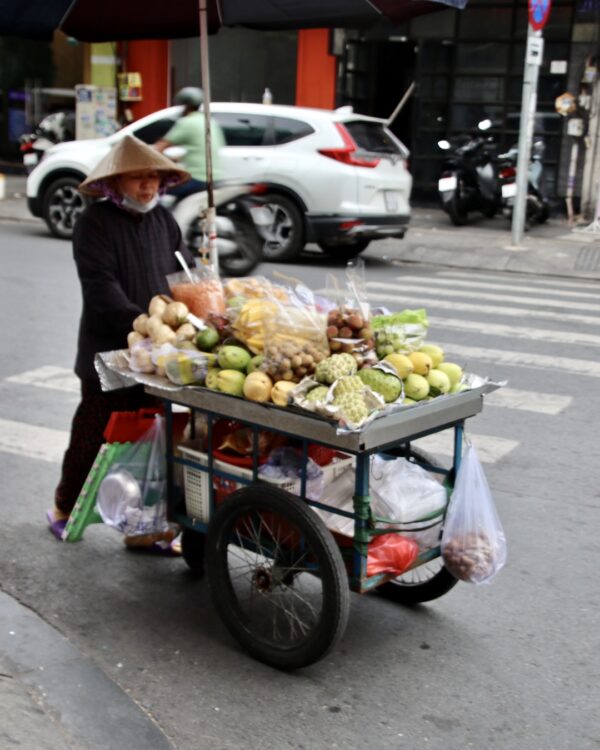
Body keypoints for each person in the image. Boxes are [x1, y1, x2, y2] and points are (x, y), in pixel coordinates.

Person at [47, 134, 195, 550]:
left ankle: (144, 525)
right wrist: (144, 322)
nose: (147, 186)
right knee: (94, 433)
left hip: (159, 357)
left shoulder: (165, 222)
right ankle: (63, 506)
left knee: (156, 438)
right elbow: (100, 288)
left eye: (152, 177)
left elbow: (183, 276)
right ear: (116, 183)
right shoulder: (93, 223)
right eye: (137, 179)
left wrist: (197, 304)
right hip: (108, 352)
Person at [154, 86, 226, 200]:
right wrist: (174, 159)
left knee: (153, 189)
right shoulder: (210, 121)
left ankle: (159, 218)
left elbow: (158, 149)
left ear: (186, 105)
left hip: (197, 178)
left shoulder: (187, 122)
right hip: (214, 178)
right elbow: (200, 149)